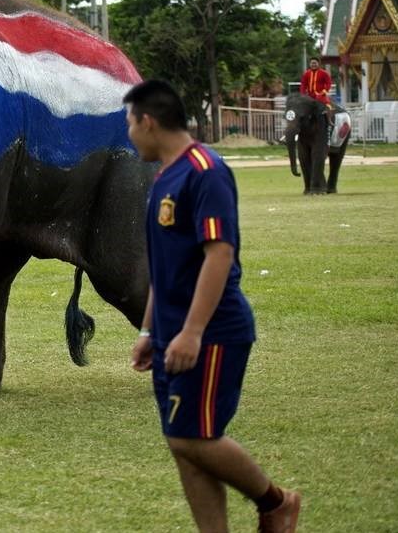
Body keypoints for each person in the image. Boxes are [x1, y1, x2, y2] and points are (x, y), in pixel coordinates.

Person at [124, 80, 300, 533]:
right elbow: (166, 268)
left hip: (213, 333)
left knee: (191, 436)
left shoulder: (206, 170)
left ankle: (276, 502)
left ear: (148, 121)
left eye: (129, 124)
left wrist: (193, 331)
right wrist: (149, 332)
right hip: (170, 334)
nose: (129, 134)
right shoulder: (165, 174)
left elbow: (219, 253)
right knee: (183, 441)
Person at [300, 56, 334, 128]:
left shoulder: (324, 73)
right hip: (310, 96)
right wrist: (302, 94)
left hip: (321, 95)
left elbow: (329, 83)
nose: (313, 65)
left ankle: (329, 120)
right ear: (310, 64)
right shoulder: (306, 74)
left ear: (318, 64)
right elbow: (303, 84)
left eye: (315, 63)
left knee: (328, 106)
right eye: (312, 63)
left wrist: (324, 92)